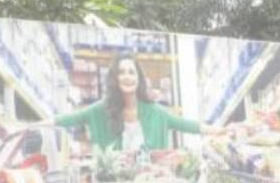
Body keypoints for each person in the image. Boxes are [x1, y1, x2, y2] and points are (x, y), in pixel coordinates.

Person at [51, 53, 224, 152]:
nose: (127, 76)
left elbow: (189, 126)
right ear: (114, 78)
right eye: (121, 72)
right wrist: (33, 126)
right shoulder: (100, 110)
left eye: (131, 72)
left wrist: (220, 131)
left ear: (138, 78)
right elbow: (67, 119)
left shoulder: (156, 112)